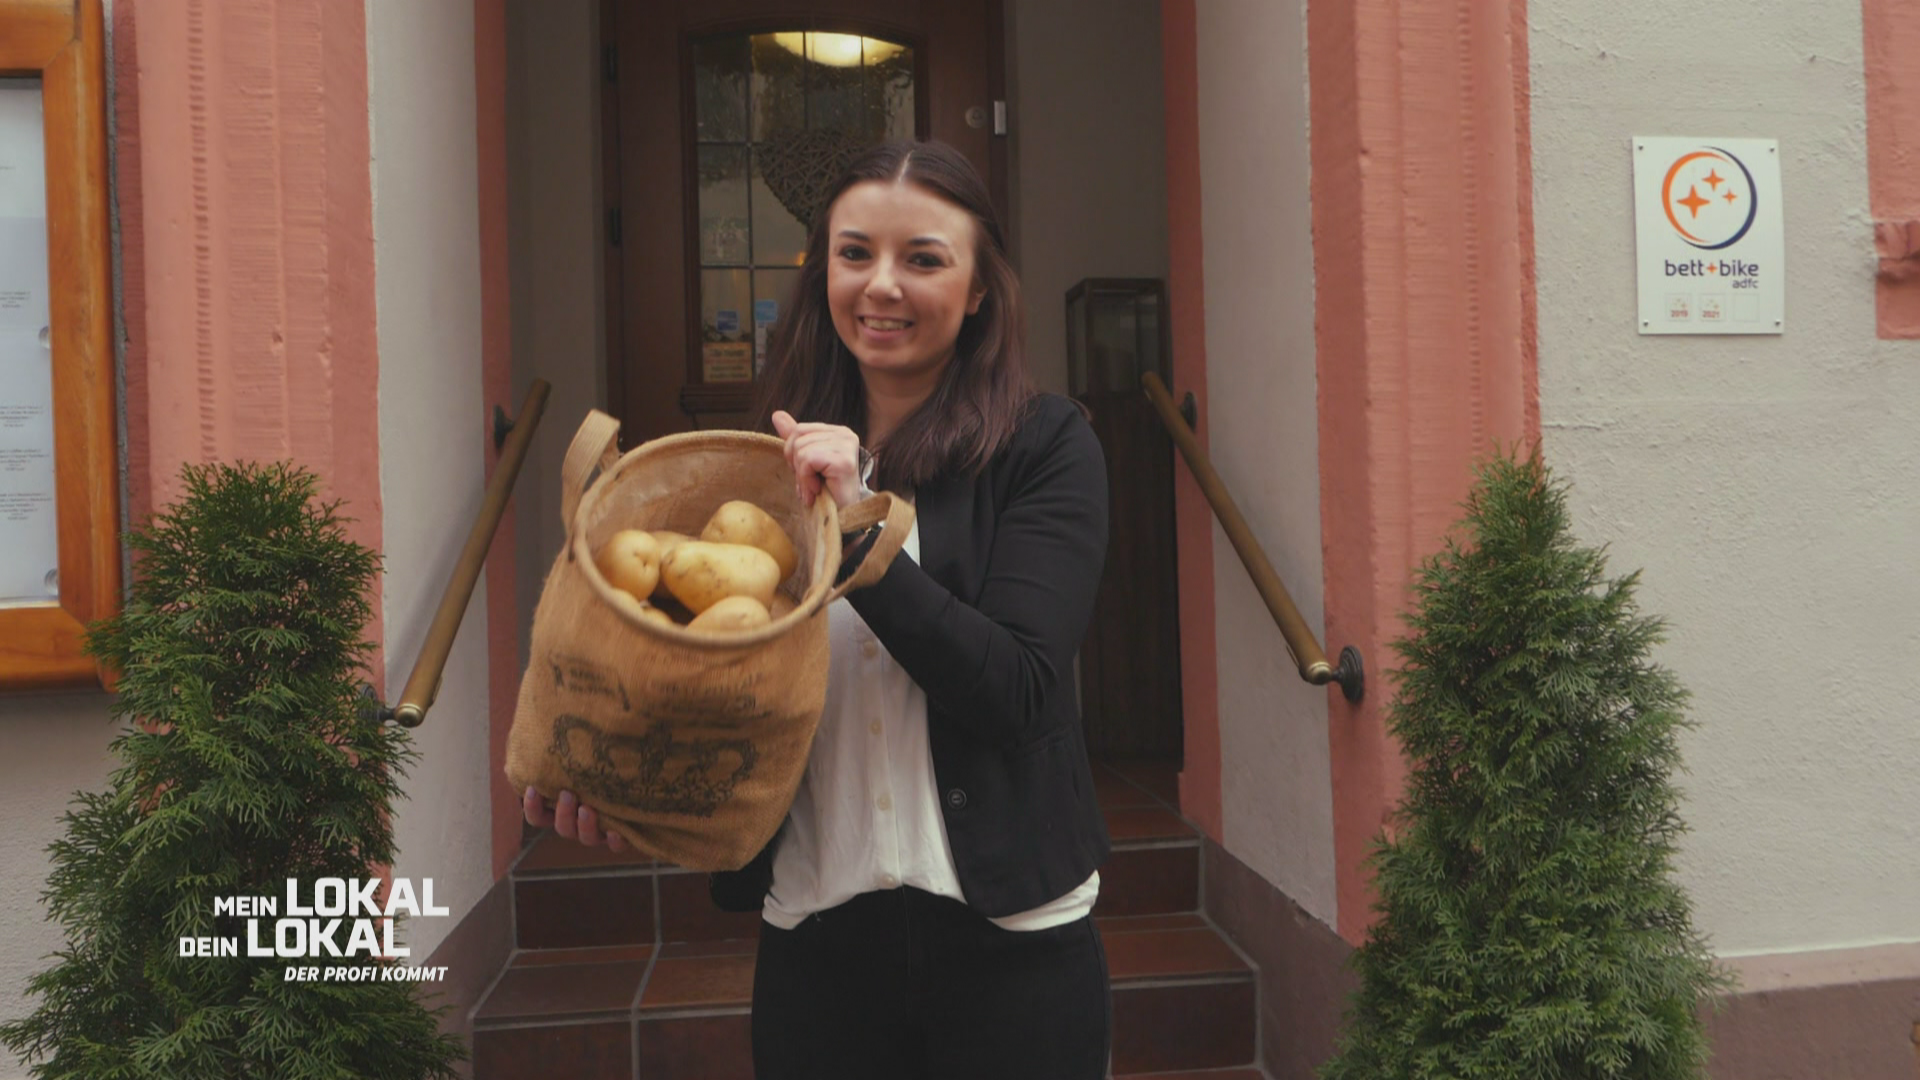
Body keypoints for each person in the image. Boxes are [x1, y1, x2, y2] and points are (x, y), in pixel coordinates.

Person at [523, 138, 1112, 1079]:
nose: (881, 285)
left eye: (923, 258)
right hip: (818, 943)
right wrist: (624, 786)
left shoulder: (1044, 447)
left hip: (1014, 946)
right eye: (853, 254)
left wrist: (863, 533)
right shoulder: (758, 478)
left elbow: (1019, 689)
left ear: (979, 290)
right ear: (822, 274)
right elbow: (718, 696)